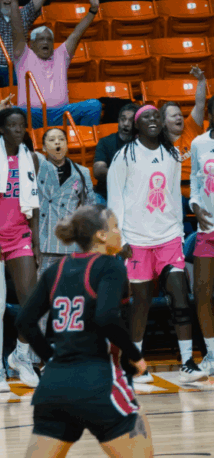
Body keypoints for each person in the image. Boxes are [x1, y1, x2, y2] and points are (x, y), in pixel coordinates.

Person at [15, 205, 154, 458]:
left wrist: (52, 360)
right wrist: (135, 354)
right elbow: (106, 317)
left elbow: (24, 321)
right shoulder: (111, 266)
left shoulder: (55, 270)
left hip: (53, 388)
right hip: (100, 383)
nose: (118, 233)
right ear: (101, 235)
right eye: (114, 227)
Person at [107, 105, 207, 383]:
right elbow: (115, 199)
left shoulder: (172, 154)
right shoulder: (124, 156)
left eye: (155, 117)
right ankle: (136, 364)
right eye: (145, 118)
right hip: (135, 240)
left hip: (168, 238)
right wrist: (121, 240)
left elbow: (175, 196)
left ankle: (187, 361)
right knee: (140, 303)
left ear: (161, 124)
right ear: (136, 126)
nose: (152, 121)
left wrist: (177, 231)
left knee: (179, 295)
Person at [0, 107, 42, 391]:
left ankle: (21, 356)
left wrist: (36, 241)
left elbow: (34, 204)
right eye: (13, 125)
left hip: (20, 235)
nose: (19, 130)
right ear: (1, 128)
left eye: (22, 125)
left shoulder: (31, 158)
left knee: (30, 302)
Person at [10, 0, 103, 128]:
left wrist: (93, 10)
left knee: (94, 106)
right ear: (32, 44)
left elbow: (77, 33)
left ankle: (82, 141)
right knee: (13, 112)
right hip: (32, 114)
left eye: (49, 39)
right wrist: (14, 3)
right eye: (41, 39)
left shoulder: (61, 55)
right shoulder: (24, 55)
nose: (45, 42)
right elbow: (17, 32)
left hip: (61, 113)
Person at [37, 127, 94, 275]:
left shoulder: (82, 172)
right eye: (52, 140)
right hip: (43, 241)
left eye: (62, 139)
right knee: (43, 289)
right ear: (43, 147)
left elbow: (90, 206)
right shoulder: (36, 166)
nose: (58, 143)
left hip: (70, 242)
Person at [189, 96, 214, 376]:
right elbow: (195, 181)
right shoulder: (199, 144)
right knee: (202, 293)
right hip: (207, 229)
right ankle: (211, 354)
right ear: (209, 113)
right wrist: (194, 206)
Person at [162, 66, 207, 183]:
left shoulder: (191, 126)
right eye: (174, 116)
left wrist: (201, 80)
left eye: (180, 115)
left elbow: (200, 104)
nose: (179, 118)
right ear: (164, 123)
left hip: (201, 185)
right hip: (176, 191)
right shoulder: (159, 142)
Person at [93, 104, 138, 205]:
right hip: (106, 194)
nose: (126, 123)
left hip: (132, 197)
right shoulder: (105, 142)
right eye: (123, 119)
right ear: (118, 120)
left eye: (130, 120)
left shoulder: (142, 144)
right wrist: (122, 174)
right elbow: (98, 171)